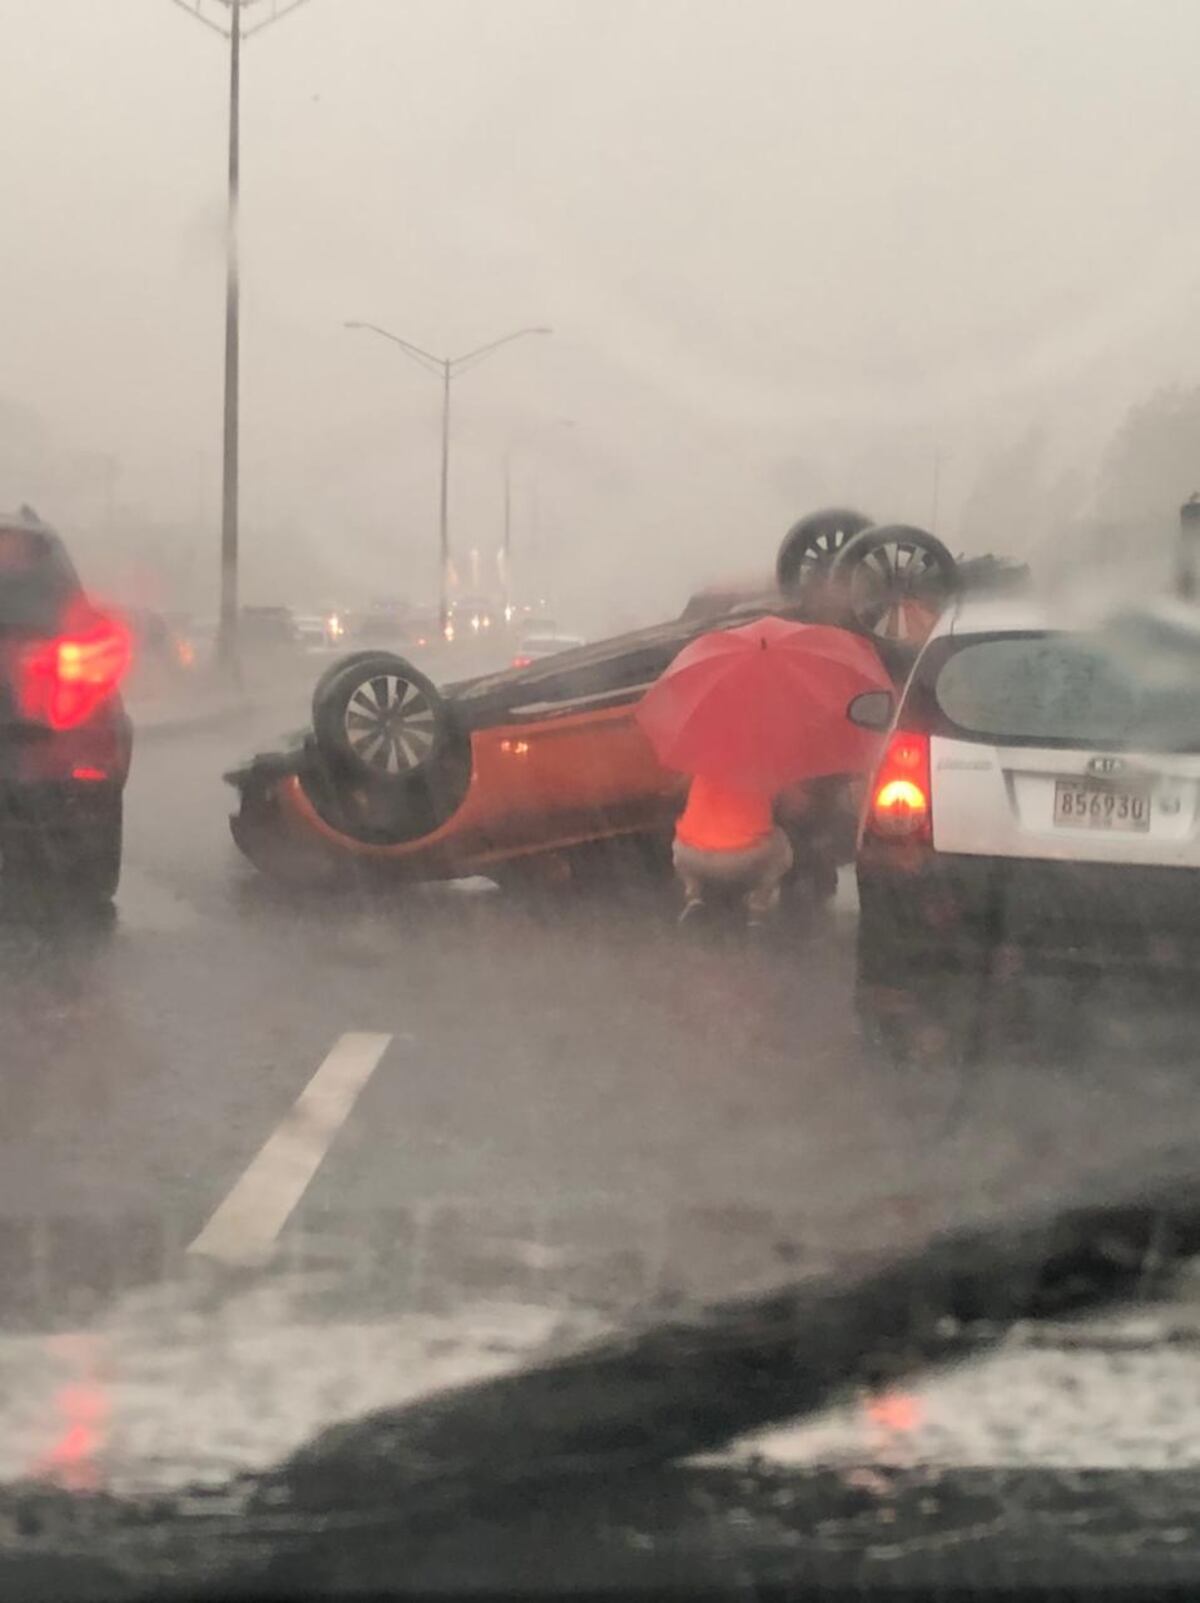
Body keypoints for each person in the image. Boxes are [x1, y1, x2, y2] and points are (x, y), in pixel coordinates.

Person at [672, 772, 794, 927]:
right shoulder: (764, 770)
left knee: (681, 838)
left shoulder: (702, 768)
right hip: (744, 857)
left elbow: (677, 790)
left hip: (692, 855)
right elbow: (792, 807)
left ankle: (693, 895)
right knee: (780, 843)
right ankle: (758, 906)